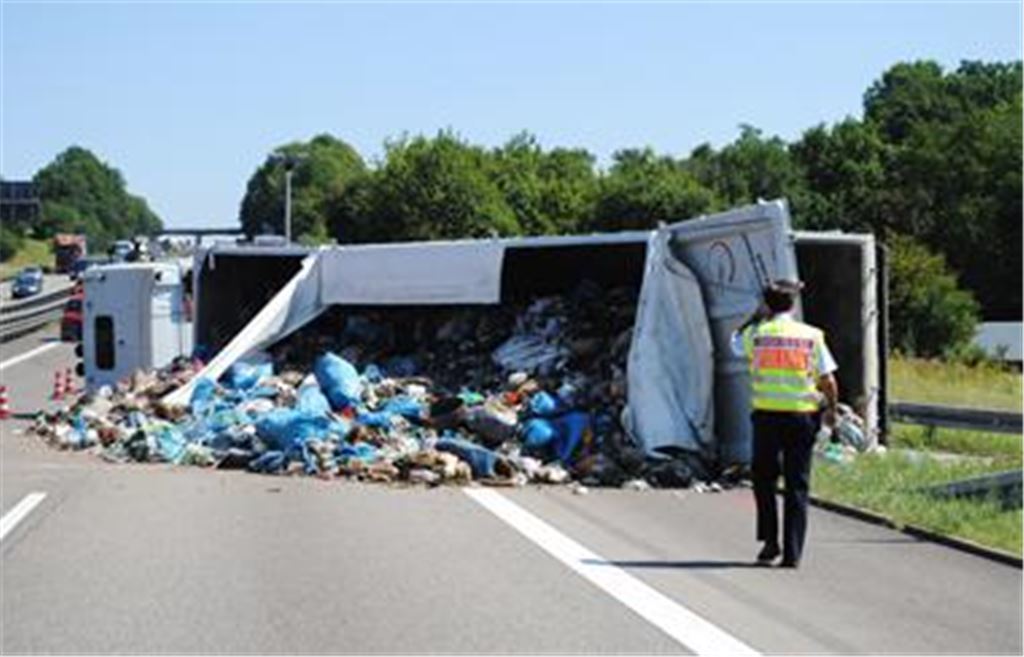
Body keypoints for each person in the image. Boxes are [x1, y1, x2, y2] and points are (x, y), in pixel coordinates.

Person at [731, 279, 839, 569]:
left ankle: (769, 542)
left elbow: (733, 346)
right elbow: (828, 378)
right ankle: (793, 553)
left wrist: (755, 317)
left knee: (764, 481)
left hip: (767, 417)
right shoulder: (811, 336)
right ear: (793, 304)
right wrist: (831, 410)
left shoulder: (755, 334)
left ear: (767, 304)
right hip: (802, 417)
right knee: (797, 485)